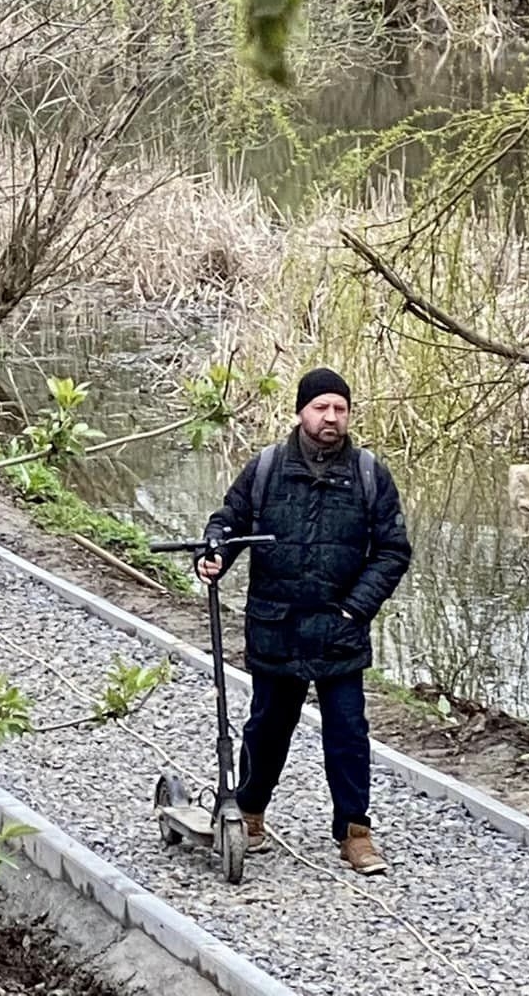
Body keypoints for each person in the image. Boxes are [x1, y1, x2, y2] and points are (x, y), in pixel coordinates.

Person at [199, 367, 411, 876]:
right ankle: (248, 814)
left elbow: (392, 550)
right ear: (301, 412)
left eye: (339, 408)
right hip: (277, 624)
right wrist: (214, 554)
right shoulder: (267, 467)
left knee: (347, 732)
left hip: (340, 629)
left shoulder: (368, 474)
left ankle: (355, 834)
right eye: (321, 408)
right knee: (268, 726)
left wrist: (354, 607)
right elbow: (229, 522)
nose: (330, 417)